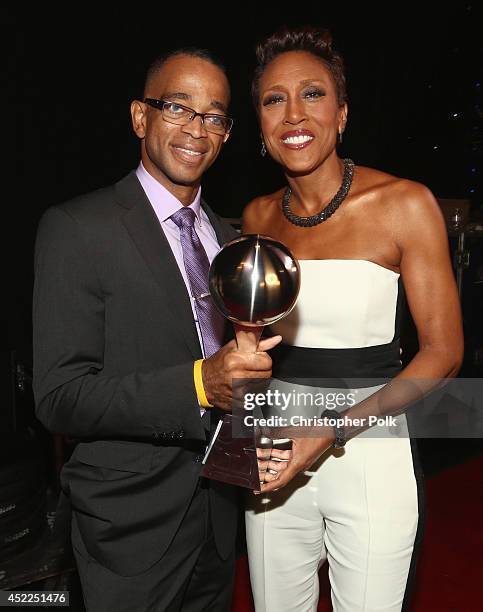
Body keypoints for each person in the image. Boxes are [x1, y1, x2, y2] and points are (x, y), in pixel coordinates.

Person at [33, 48, 281, 612]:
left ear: (227, 134)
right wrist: (198, 386)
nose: (197, 127)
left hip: (219, 522)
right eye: (178, 106)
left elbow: (237, 375)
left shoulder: (229, 239)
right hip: (128, 527)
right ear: (140, 117)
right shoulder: (77, 227)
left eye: (215, 115)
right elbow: (58, 396)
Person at [243, 26, 463, 612]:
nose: (294, 113)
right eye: (273, 99)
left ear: (341, 114)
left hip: (369, 453)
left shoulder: (405, 204)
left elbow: (443, 353)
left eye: (312, 94)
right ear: (261, 129)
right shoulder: (257, 216)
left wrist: (334, 428)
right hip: (276, 450)